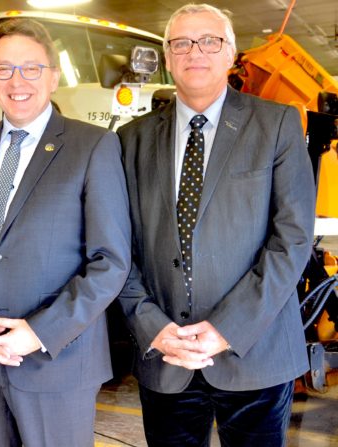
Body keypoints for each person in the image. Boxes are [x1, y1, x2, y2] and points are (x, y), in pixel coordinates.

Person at [116, 3, 316, 446]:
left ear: (230, 54)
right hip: (166, 356)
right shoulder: (130, 140)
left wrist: (227, 328)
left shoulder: (276, 125)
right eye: (181, 43)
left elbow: (293, 239)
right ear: (167, 59)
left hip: (256, 354)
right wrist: (152, 327)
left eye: (210, 41)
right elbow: (116, 248)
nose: (195, 52)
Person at [0, 18, 131, 447]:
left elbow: (111, 263)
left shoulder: (93, 146)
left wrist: (39, 331)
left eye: (31, 68)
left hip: (57, 365)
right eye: (3, 69)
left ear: (53, 76)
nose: (17, 81)